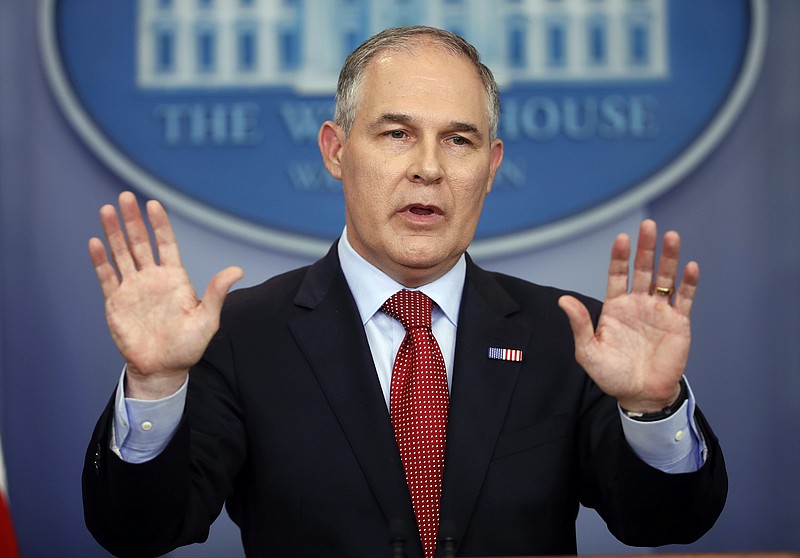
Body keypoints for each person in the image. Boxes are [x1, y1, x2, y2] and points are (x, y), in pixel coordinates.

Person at [83, 26, 727, 558]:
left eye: (459, 139)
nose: (428, 166)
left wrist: (651, 409)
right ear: (336, 151)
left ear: (491, 166)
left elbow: (661, 525)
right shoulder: (242, 337)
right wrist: (156, 386)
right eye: (396, 134)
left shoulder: (571, 336)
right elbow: (140, 531)